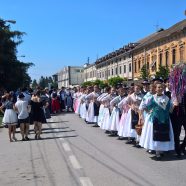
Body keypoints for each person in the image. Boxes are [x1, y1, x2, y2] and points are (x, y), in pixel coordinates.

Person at [139, 83, 175, 160]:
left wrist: (174, 105)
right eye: (158, 87)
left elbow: (170, 110)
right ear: (155, 89)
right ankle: (157, 151)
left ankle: (161, 150)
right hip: (154, 119)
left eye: (162, 87)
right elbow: (143, 106)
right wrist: (147, 112)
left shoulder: (167, 98)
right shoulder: (152, 98)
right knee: (155, 134)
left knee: (163, 134)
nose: (160, 89)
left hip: (165, 119)